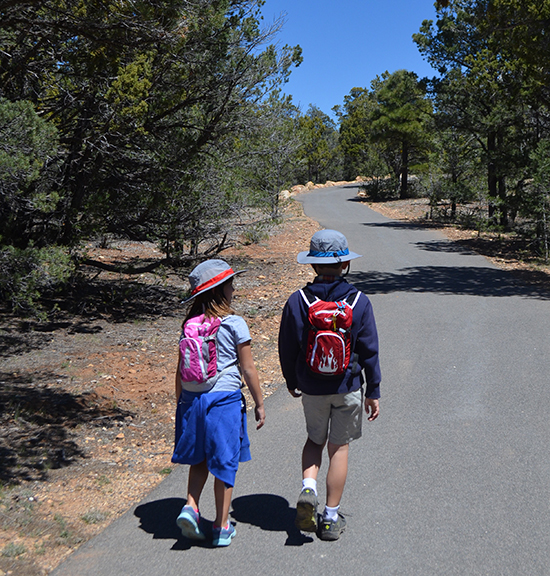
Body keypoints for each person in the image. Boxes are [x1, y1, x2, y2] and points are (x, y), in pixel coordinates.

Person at [278, 229, 381, 541]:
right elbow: (370, 350)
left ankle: (308, 488)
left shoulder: (298, 301)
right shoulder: (359, 302)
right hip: (347, 386)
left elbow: (288, 346)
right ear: (345, 265)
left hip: (312, 386)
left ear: (313, 265)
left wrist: (292, 380)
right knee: (339, 448)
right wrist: (373, 390)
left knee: (314, 440)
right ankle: (330, 518)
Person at [172, 259, 265, 547]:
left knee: (199, 458)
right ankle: (222, 525)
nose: (233, 289)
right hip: (223, 400)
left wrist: (181, 405)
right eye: (230, 284)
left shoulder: (189, 324)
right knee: (224, 462)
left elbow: (179, 370)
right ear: (219, 290)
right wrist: (259, 403)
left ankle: (191, 506)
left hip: (192, 400)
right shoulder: (234, 322)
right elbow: (248, 368)